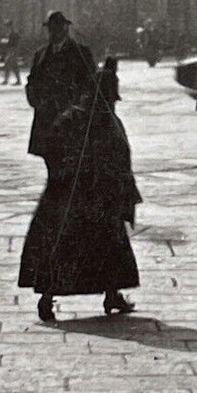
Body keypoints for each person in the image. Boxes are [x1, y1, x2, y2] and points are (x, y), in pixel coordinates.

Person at [19, 55, 142, 322]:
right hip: (97, 199)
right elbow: (122, 162)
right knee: (107, 246)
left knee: (63, 246)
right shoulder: (109, 123)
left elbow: (51, 149)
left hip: (65, 196)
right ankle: (110, 294)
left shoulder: (70, 116)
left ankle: (49, 297)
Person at [25, 12, 98, 179]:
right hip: (46, 114)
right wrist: (34, 100)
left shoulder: (80, 53)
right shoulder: (41, 54)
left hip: (71, 115)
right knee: (50, 157)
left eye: (57, 29)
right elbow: (32, 80)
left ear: (65, 30)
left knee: (70, 159)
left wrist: (79, 106)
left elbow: (91, 83)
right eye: (51, 30)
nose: (53, 33)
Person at [1, 20, 24, 85]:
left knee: (9, 64)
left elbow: (16, 42)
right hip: (11, 50)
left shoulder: (14, 33)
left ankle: (7, 80)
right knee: (13, 65)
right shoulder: (12, 33)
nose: (6, 27)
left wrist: (14, 50)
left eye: (7, 26)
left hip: (12, 50)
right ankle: (17, 80)